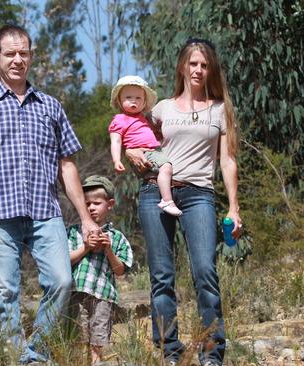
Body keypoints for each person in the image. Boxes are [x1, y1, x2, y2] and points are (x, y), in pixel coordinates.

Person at [0, 24, 99, 364]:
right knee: (4, 293)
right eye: (10, 54)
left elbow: (67, 166)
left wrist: (86, 218)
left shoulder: (51, 106)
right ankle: (15, 359)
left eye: (23, 53)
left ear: (31, 57)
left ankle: (35, 356)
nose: (18, 60)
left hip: (46, 211)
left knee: (61, 282)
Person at [124, 38, 242, 366]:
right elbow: (136, 140)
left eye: (204, 65)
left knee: (205, 270)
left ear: (210, 70)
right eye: (193, 63)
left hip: (199, 194)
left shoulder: (219, 109)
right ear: (182, 67)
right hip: (155, 193)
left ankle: (211, 352)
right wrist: (130, 153)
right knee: (162, 275)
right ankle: (169, 353)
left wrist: (233, 206)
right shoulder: (160, 108)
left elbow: (228, 160)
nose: (198, 70)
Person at [66, 175, 133, 364]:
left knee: (99, 335)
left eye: (96, 203)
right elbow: (64, 261)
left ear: (109, 204)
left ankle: (96, 362)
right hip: (76, 292)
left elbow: (120, 271)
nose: (91, 208)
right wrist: (85, 247)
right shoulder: (73, 232)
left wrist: (109, 250)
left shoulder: (117, 237)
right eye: (86, 203)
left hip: (103, 295)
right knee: (78, 333)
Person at [109, 75, 182, 216]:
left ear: (144, 102)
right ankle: (167, 200)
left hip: (153, 151)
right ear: (119, 100)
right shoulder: (119, 119)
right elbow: (116, 140)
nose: (133, 101)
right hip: (144, 153)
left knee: (160, 171)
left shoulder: (142, 117)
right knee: (166, 167)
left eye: (138, 98)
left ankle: (164, 195)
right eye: (128, 97)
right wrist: (116, 160)